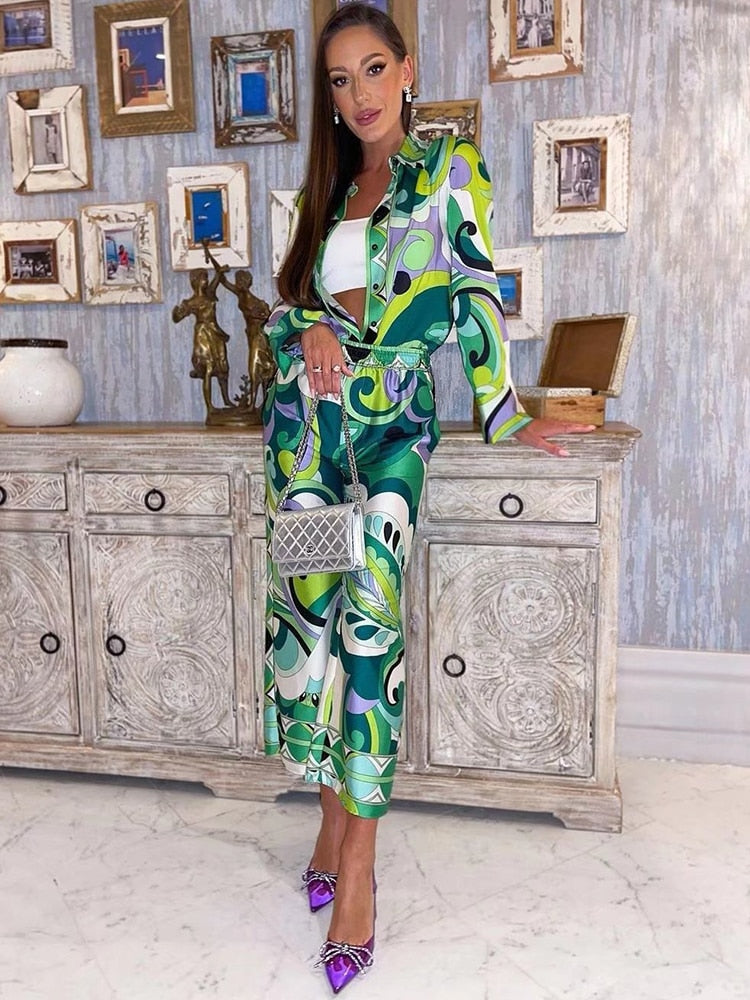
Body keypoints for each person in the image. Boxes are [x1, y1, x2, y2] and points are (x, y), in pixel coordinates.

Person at [262, 4, 595, 992]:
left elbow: (474, 295)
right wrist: (303, 329)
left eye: (373, 69)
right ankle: (329, 820)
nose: (358, 93)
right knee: (309, 635)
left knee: (369, 639)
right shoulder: (323, 192)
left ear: (406, 71)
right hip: (305, 441)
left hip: (387, 441)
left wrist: (504, 413)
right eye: (339, 79)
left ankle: (359, 866)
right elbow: (287, 314)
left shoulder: (449, 170)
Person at [171, 267, 232, 413]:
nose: (206, 280)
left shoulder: (209, 294)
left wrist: (220, 272)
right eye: (204, 277)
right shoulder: (191, 302)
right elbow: (177, 318)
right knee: (208, 370)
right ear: (196, 281)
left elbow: (217, 279)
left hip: (216, 335)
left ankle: (226, 399)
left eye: (207, 277)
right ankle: (210, 407)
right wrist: (176, 311)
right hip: (203, 335)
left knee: (222, 367)